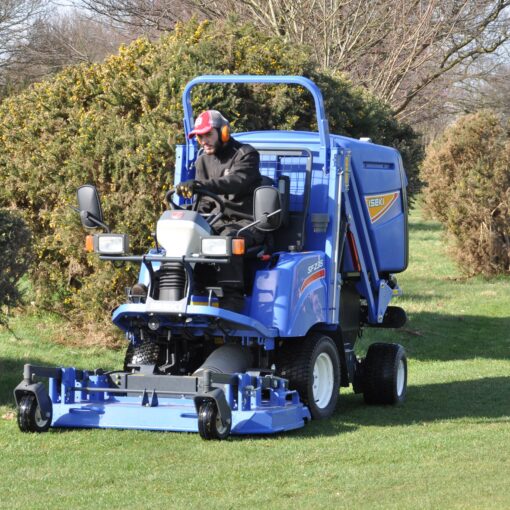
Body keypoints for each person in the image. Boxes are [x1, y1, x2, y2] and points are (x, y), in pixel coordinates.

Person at [175, 110, 265, 312]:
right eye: (199, 136)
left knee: (227, 239)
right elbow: (205, 201)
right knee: (184, 233)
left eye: (208, 134)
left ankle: (232, 298)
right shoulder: (202, 161)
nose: (203, 140)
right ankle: (179, 289)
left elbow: (235, 182)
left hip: (247, 222)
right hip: (217, 220)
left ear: (223, 132)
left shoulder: (246, 154)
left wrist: (201, 185)